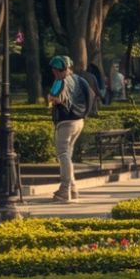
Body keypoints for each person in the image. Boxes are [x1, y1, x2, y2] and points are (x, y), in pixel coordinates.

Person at [45, 56, 95, 201]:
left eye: (54, 70)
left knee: (63, 155)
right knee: (68, 154)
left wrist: (52, 98)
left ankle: (64, 190)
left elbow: (53, 98)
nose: (54, 73)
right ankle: (73, 189)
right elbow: (91, 95)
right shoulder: (80, 79)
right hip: (79, 121)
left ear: (59, 70)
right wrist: (84, 113)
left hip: (66, 122)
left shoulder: (60, 81)